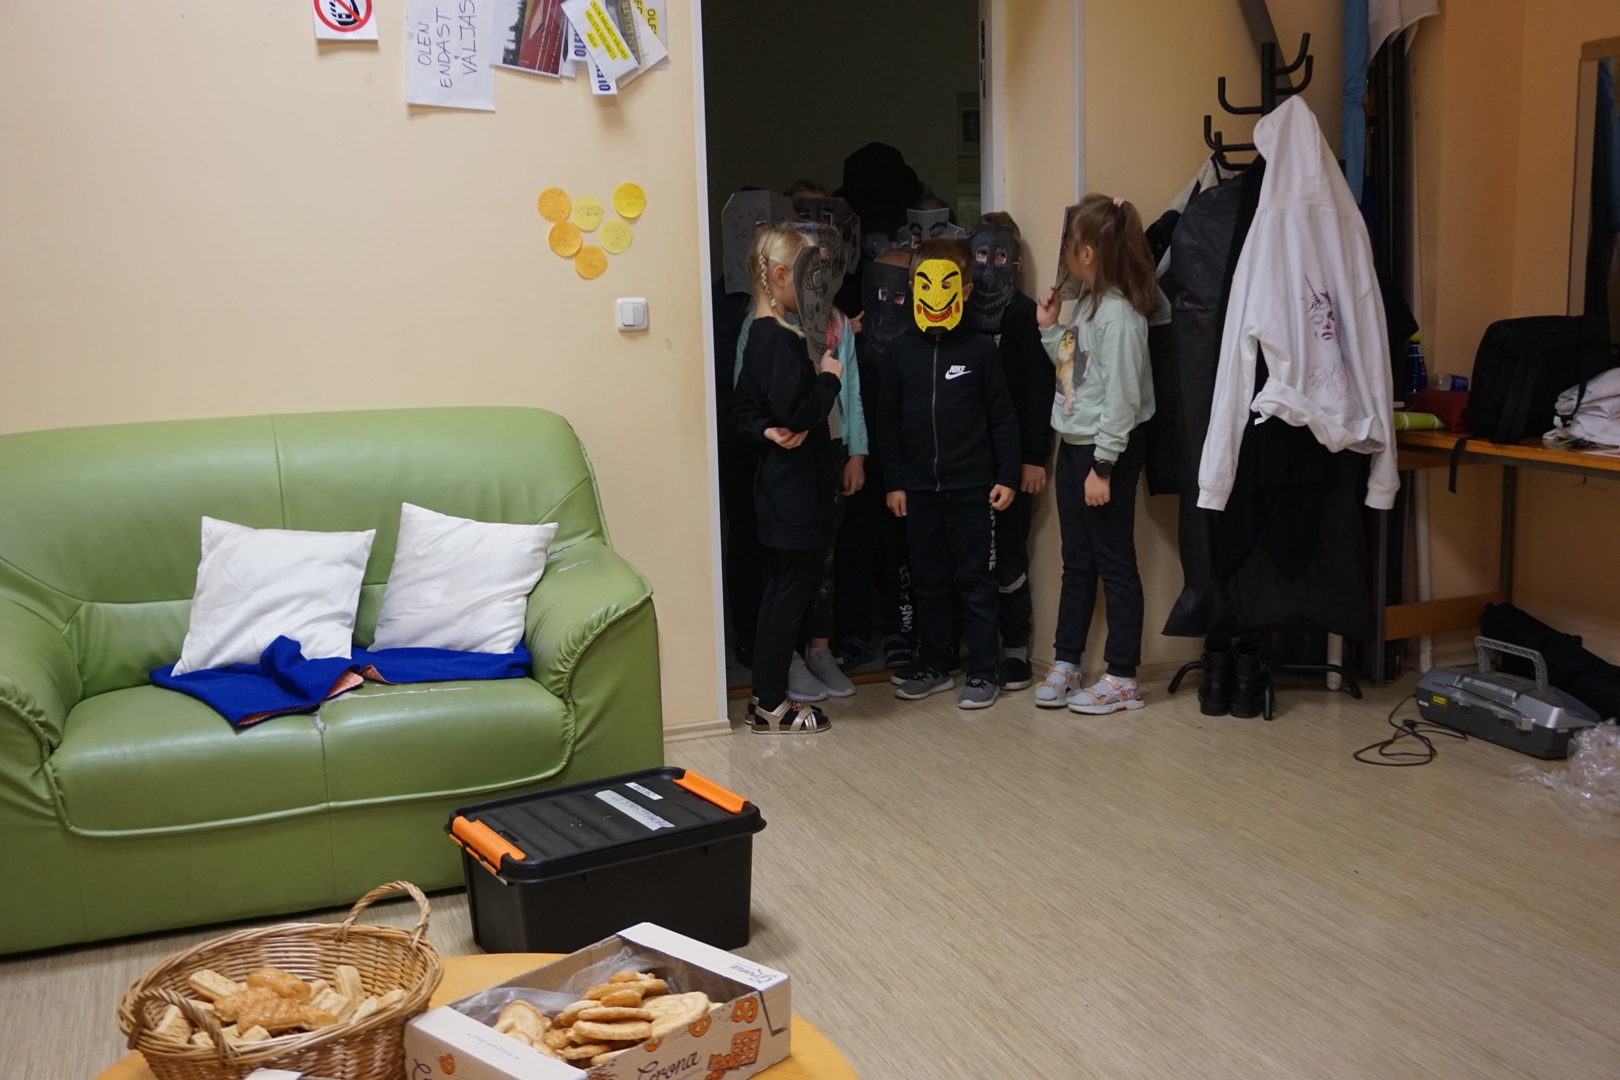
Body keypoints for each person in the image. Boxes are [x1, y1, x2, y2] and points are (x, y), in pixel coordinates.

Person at [733, 181, 867, 702]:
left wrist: (764, 428)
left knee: (781, 591)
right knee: (789, 594)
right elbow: (804, 412)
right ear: (781, 277)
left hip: (781, 486)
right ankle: (770, 702)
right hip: (794, 490)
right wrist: (828, 377)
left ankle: (767, 700)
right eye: (808, 276)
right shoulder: (781, 341)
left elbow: (745, 409)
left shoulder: (764, 335)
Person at [879, 237, 1020, 710]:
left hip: (973, 488)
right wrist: (894, 482)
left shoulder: (981, 350)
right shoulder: (900, 353)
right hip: (919, 489)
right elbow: (887, 422)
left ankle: (983, 670)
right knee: (928, 581)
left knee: (977, 582)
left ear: (965, 290)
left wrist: (1007, 475)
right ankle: (935, 663)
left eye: (947, 285)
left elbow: (1002, 418)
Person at [1032, 194, 1158, 714]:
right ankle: (1067, 661)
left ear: (1086, 253)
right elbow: (1074, 373)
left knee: (1115, 562)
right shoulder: (1088, 304)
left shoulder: (1120, 317)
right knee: (1077, 562)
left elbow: (1123, 401)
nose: (1063, 252)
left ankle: (1123, 676)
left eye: (1068, 243)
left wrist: (1103, 466)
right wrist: (1050, 328)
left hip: (1107, 455)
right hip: (1075, 447)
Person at [966, 212, 1055, 691]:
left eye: (999, 256)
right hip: (967, 457)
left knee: (1010, 552)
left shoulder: (1022, 314)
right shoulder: (957, 313)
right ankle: (975, 645)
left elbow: (1038, 387)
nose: (988, 266)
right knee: (972, 554)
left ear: (1015, 263)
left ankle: (1016, 644)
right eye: (980, 255)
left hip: (1014, 458)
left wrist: (1034, 456)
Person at [836, 248, 917, 672]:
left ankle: (901, 628)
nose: (890, 305)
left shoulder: (918, 347)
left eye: (900, 295)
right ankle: (853, 630)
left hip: (905, 463)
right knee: (855, 542)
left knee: (900, 545)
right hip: (862, 458)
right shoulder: (852, 341)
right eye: (882, 294)